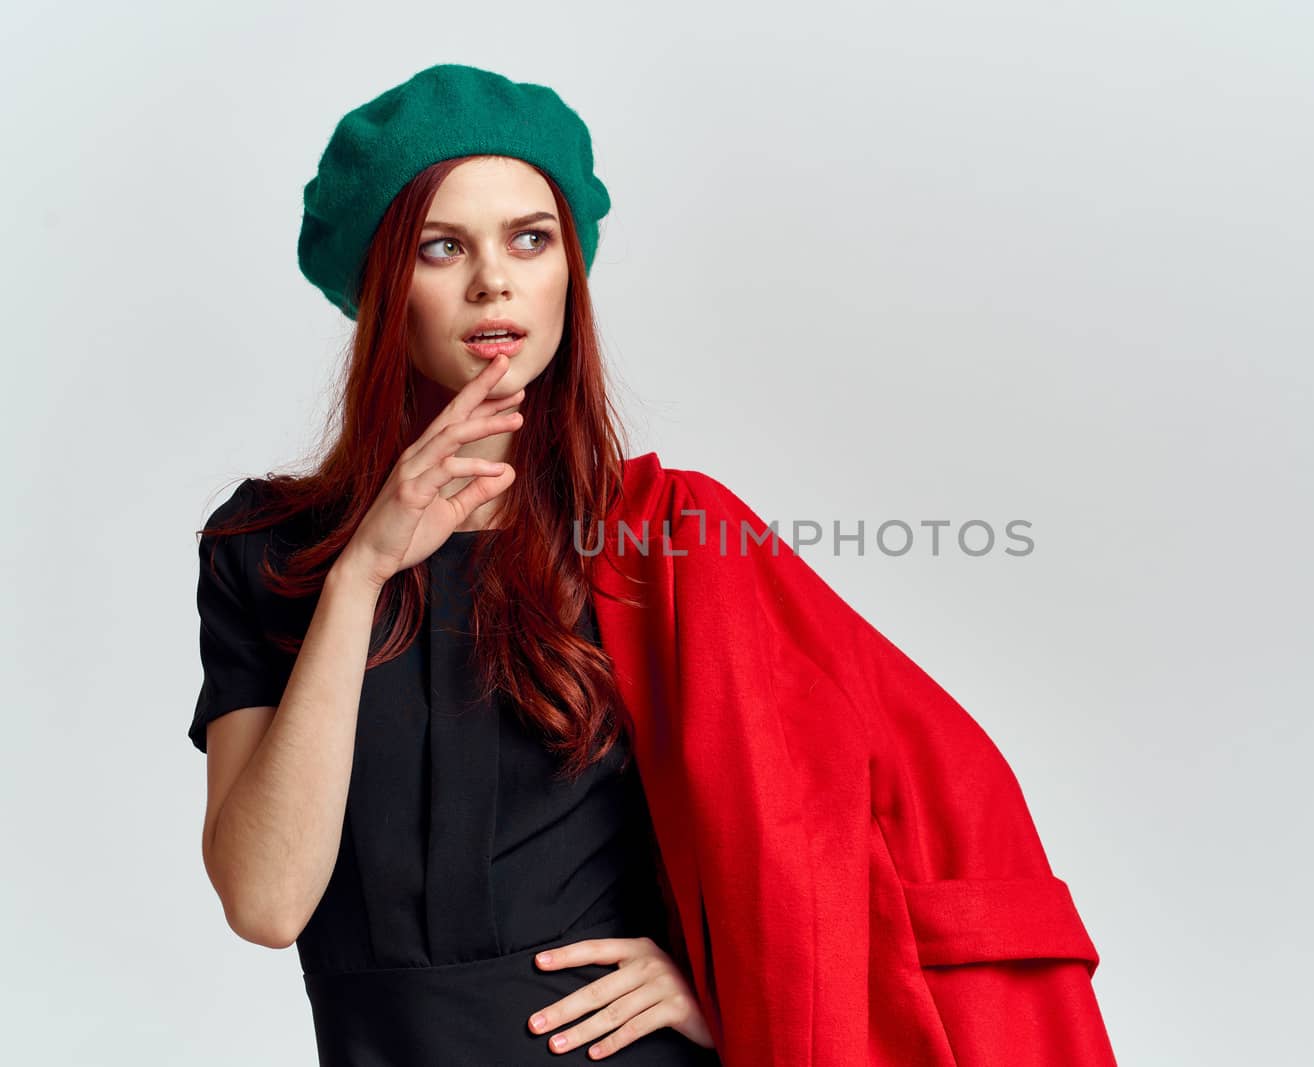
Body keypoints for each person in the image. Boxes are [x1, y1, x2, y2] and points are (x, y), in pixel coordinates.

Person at [191, 63, 1117, 1066]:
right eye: (440, 246)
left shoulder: (663, 537)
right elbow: (266, 900)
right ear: (381, 284)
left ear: (566, 273)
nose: (492, 280)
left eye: (529, 239)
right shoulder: (268, 546)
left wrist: (722, 983)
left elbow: (915, 800)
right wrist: (364, 569)